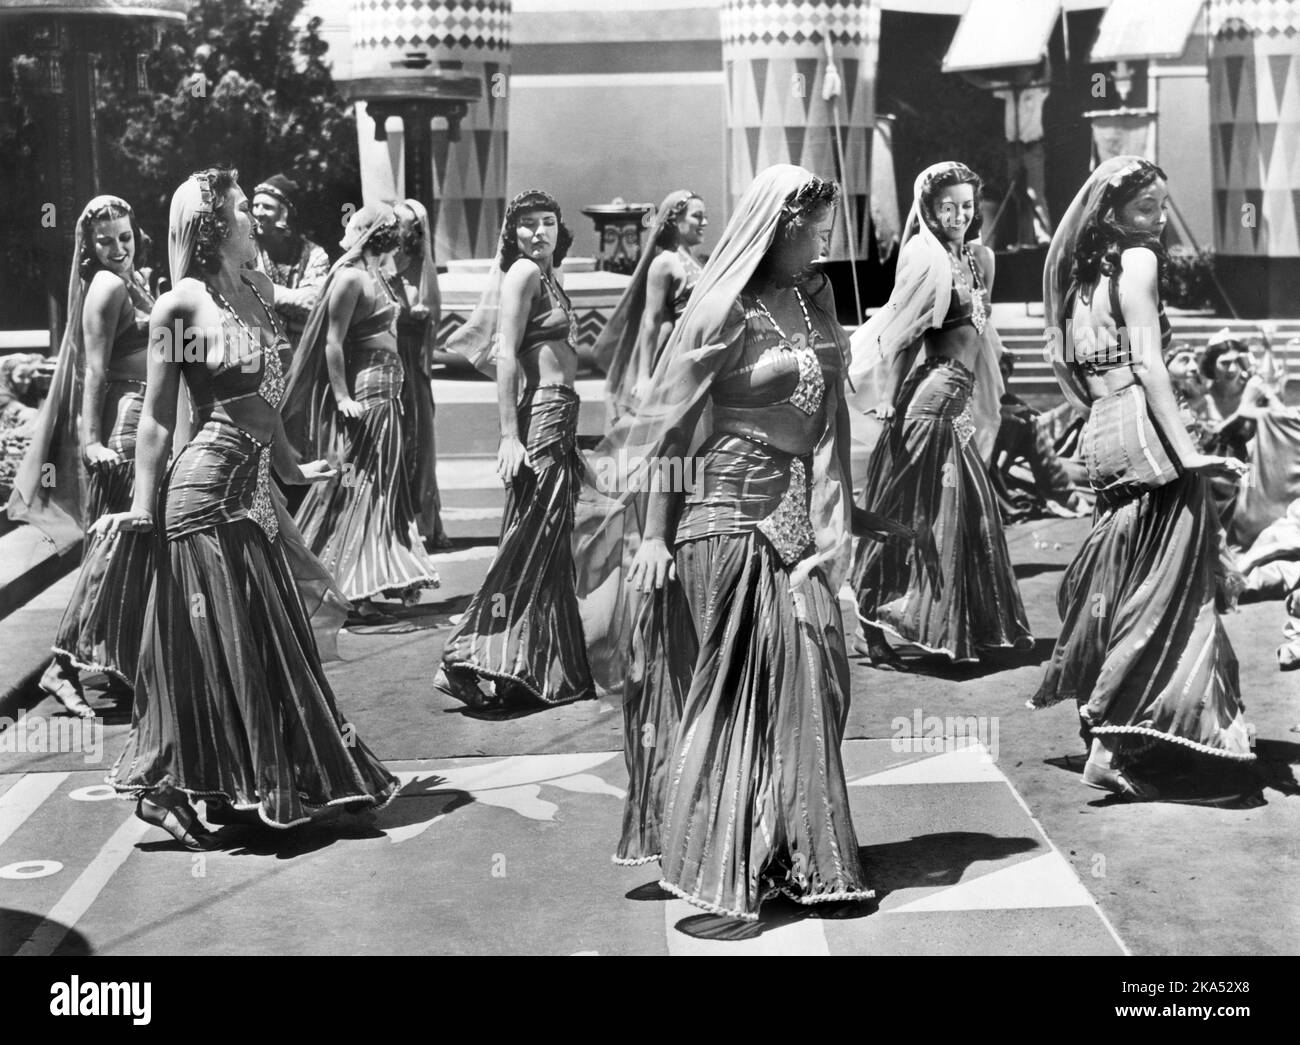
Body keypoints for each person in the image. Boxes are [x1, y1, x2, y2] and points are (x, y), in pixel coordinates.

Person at [600, 165, 897, 921]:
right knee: (748, 690)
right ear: (778, 226)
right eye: (815, 230)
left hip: (795, 518)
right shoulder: (719, 307)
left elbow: (827, 424)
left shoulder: (814, 298)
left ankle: (791, 850)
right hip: (722, 517)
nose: (824, 243)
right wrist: (652, 535)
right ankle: (736, 853)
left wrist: (854, 517)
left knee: (812, 682)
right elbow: (666, 428)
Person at [96, 168, 398, 847]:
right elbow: (156, 417)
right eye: (239, 208)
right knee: (209, 645)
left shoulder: (256, 289)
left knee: (261, 639)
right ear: (212, 228)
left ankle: (246, 780)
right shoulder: (181, 305)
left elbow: (265, 396)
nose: (252, 216)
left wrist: (292, 465)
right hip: (202, 498)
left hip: (253, 491)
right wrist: (144, 504)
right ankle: (165, 783)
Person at [1031, 156, 1255, 798]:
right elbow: (1152, 367)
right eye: (1145, 209)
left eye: (1162, 206)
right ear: (1110, 213)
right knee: (1167, 593)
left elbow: (1071, 371)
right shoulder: (1138, 263)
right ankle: (1113, 740)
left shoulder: (1077, 276)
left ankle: (1115, 729)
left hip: (1102, 427)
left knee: (1127, 581)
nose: (1158, 222)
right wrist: (1189, 454)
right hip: (1144, 434)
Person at [847, 162, 1032, 669]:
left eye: (967, 206)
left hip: (957, 403)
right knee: (912, 514)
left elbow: (981, 335)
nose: (959, 215)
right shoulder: (921, 256)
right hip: (928, 403)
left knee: (968, 515)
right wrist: (886, 396)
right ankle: (871, 621)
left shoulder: (978, 259)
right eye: (948, 206)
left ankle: (955, 625)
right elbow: (903, 335)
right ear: (929, 209)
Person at [435, 189, 596, 708]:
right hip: (543, 416)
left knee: (545, 542)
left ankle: (518, 663)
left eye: (548, 221)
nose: (539, 232)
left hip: (560, 414)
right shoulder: (523, 274)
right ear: (513, 233)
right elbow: (506, 355)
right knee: (532, 539)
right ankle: (462, 654)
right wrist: (509, 434)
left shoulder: (551, 275)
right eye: (528, 225)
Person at [7, 196, 156, 716]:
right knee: (114, 548)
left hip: (143, 416)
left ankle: (114, 662)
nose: (118, 248)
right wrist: (91, 440)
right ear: (88, 248)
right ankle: (62, 666)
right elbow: (92, 370)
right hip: (123, 425)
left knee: (126, 548)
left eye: (125, 236)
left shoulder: (134, 279)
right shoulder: (108, 286)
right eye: (105, 240)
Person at [283, 203, 442, 621]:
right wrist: (341, 397)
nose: (393, 232)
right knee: (359, 486)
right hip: (366, 396)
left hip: (388, 394)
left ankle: (361, 584)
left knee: (381, 488)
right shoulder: (351, 277)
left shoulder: (380, 276)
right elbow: (333, 343)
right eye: (387, 227)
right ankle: (347, 588)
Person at [594, 190, 707, 427]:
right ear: (676, 221)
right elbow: (651, 321)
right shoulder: (665, 262)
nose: (704, 222)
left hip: (695, 354)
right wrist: (644, 377)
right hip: (672, 356)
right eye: (697, 216)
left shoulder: (694, 260)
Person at [387, 198, 450, 549]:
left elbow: (429, 313)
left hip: (410, 359)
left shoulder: (419, 264)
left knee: (419, 438)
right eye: (394, 220)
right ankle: (393, 522)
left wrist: (415, 314)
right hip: (382, 357)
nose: (397, 227)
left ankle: (424, 521)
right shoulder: (380, 261)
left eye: (404, 223)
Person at [251, 174, 330, 352]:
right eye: (255, 206)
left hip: (300, 352)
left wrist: (263, 291)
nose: (258, 213)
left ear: (285, 212)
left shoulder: (314, 254)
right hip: (257, 350)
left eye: (267, 207)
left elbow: (314, 304)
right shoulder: (247, 249)